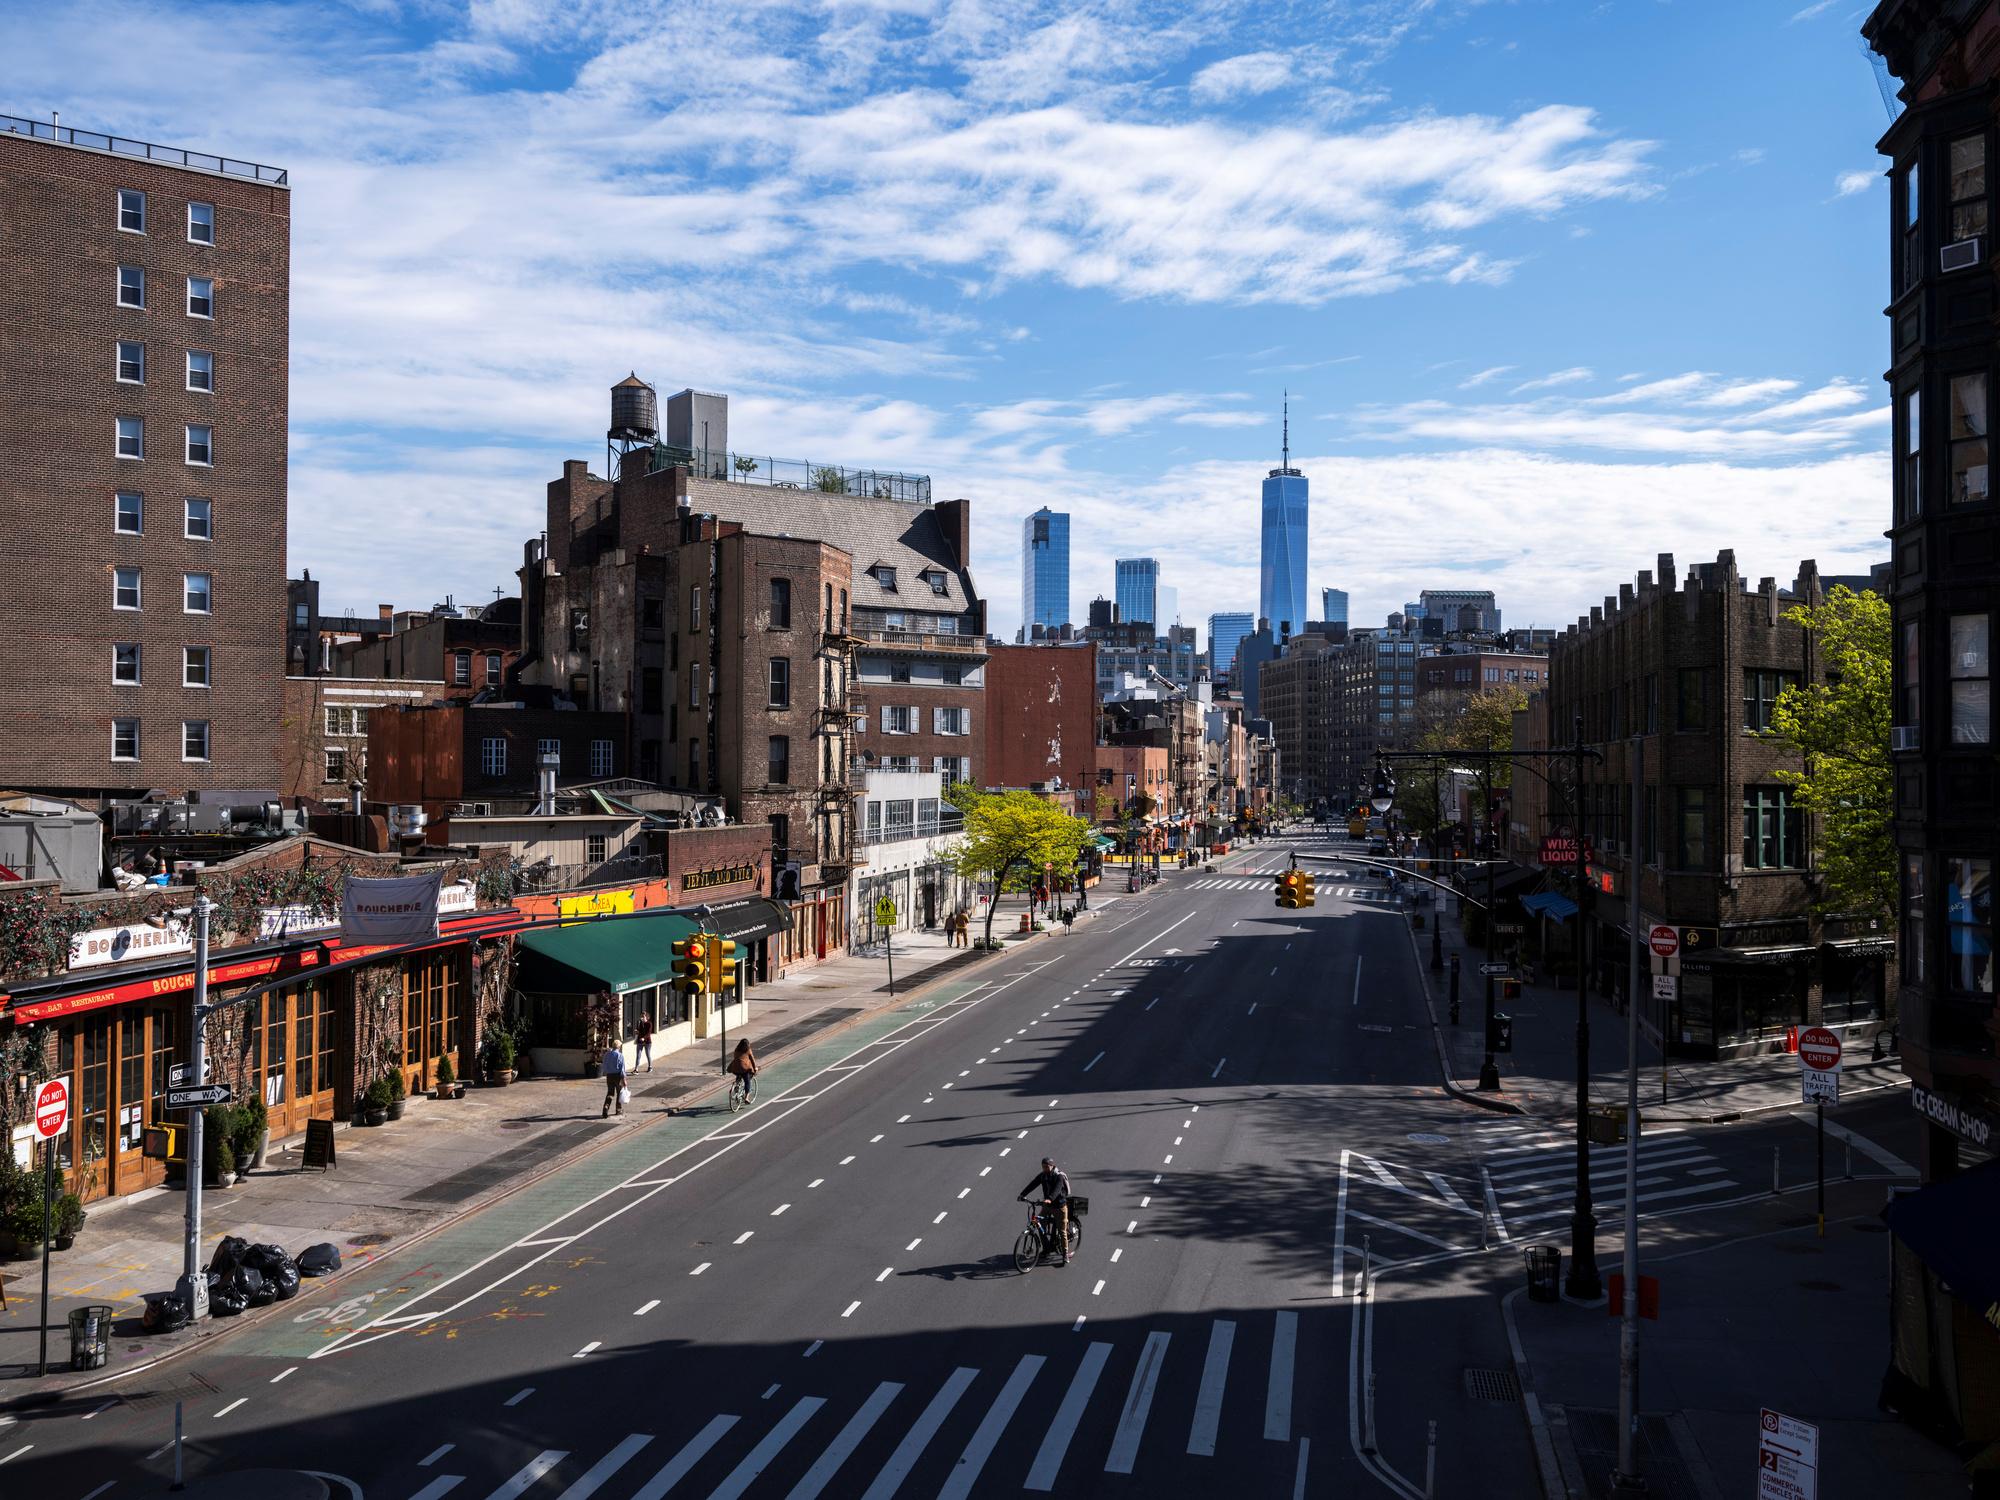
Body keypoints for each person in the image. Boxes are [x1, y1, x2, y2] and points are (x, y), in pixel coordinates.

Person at [1017, 1156, 1072, 1266]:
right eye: (1043, 1167)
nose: (1045, 1169)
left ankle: (1065, 1254)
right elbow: (1033, 1184)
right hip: (1047, 1206)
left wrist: (1049, 1199)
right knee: (1038, 1224)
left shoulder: (1059, 1176)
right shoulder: (1043, 1176)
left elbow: (1057, 1189)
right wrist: (1022, 1194)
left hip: (1059, 1207)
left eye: (1047, 1167)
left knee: (1062, 1231)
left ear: (1052, 1166)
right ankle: (1046, 1249)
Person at [600, 1040, 627, 1118]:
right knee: (619, 1093)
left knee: (610, 1093)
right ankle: (618, 1109)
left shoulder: (607, 1055)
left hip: (609, 1076)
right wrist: (624, 1079)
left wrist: (607, 1072)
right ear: (618, 1047)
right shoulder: (620, 1055)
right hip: (617, 1076)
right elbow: (622, 1069)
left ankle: (606, 1107)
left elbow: (604, 1064)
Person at [728, 1037, 759, 1103]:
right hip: (744, 1069)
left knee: (738, 1075)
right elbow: (752, 1060)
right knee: (747, 1081)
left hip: (735, 1068)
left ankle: (735, 1087)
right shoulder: (748, 1050)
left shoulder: (736, 1049)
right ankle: (746, 1098)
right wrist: (755, 1068)